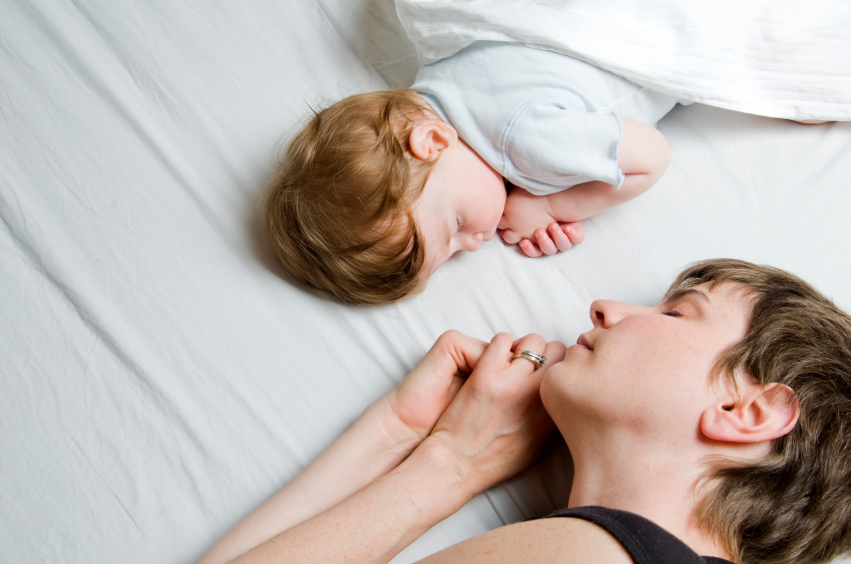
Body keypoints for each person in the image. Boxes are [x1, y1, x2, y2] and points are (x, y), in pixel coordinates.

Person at [196, 258, 851, 564]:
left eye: (677, 312)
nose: (606, 308)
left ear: (745, 411)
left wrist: (448, 463)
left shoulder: (592, 559)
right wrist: (407, 433)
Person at [261, 41, 676, 304]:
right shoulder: (442, 75)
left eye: (455, 225)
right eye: (457, 250)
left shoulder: (529, 144)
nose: (476, 243)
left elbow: (652, 156)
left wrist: (549, 203)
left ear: (434, 143)